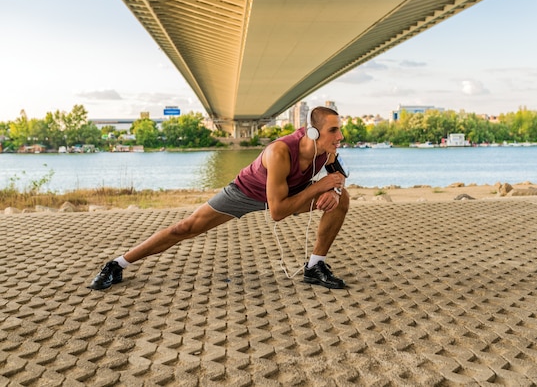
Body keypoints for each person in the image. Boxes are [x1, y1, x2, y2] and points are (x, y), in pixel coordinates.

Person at [89, 106, 349, 290]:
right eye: (333, 131)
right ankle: (117, 264)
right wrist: (318, 188)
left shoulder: (327, 151)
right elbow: (277, 213)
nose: (340, 137)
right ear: (313, 132)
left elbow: (338, 178)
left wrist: (334, 191)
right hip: (245, 192)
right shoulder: (279, 152)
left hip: (289, 194)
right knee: (186, 228)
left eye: (339, 131)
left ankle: (315, 267)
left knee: (343, 198)